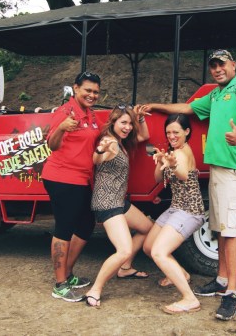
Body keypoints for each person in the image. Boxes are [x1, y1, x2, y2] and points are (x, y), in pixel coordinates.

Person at [147, 49, 236, 320]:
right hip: (218, 170)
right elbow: (187, 109)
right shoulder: (216, 94)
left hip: (235, 170)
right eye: (213, 65)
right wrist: (156, 107)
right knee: (219, 228)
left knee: (231, 231)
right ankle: (221, 280)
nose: (217, 69)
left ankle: (232, 295)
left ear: (233, 65)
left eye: (221, 64)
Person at [83, 104, 154, 308]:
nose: (128, 127)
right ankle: (95, 290)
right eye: (123, 122)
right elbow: (97, 159)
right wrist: (100, 150)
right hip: (107, 203)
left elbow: (145, 136)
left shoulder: (122, 142)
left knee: (147, 228)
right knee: (123, 249)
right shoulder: (110, 142)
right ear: (113, 122)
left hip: (119, 200)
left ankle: (125, 268)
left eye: (130, 123)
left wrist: (139, 118)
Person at [42, 71, 103, 302]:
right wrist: (61, 128)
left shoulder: (90, 113)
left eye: (96, 92)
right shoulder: (64, 112)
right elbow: (52, 145)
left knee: (86, 223)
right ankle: (60, 284)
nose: (92, 95)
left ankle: (67, 273)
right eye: (88, 90)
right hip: (62, 177)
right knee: (65, 228)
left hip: (82, 178)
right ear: (75, 88)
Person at [143, 114, 205, 315]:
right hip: (176, 208)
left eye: (176, 132)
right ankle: (181, 274)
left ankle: (190, 299)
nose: (171, 136)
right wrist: (161, 162)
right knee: (149, 246)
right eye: (168, 132)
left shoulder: (182, 153)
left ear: (186, 132)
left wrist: (173, 165)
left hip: (189, 210)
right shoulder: (172, 153)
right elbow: (157, 178)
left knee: (159, 252)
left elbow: (184, 174)